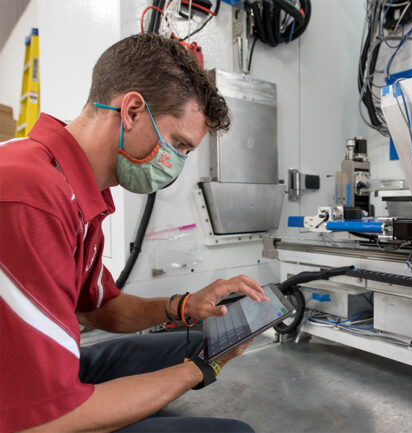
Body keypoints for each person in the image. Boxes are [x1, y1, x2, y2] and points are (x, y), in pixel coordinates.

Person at [0, 33, 268, 432]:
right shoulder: (31, 196)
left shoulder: (71, 184)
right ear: (132, 111)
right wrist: (200, 371)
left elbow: (97, 307)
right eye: (178, 145)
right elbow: (45, 422)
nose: (176, 163)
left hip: (33, 374)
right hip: (25, 415)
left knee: (196, 339)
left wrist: (183, 306)